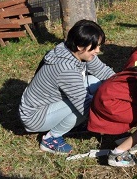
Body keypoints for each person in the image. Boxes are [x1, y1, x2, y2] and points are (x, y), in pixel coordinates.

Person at [19, 19, 116, 154]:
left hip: (52, 103)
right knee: (88, 105)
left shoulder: (74, 50)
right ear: (80, 46)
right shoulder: (65, 69)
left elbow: (103, 71)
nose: (98, 51)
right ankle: (50, 139)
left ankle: (71, 123)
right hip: (35, 116)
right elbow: (84, 104)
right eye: (94, 47)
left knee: (96, 82)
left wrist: (121, 85)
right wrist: (115, 116)